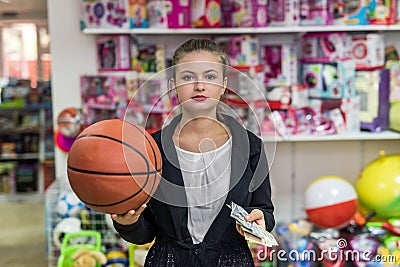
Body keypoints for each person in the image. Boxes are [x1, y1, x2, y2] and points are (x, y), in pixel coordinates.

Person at [111, 38, 275, 266]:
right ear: (172, 85)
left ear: (224, 84)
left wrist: (260, 220)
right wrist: (128, 222)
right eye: (188, 77)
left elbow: (265, 210)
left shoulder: (251, 146)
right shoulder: (150, 149)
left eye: (210, 76)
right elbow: (144, 233)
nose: (200, 85)